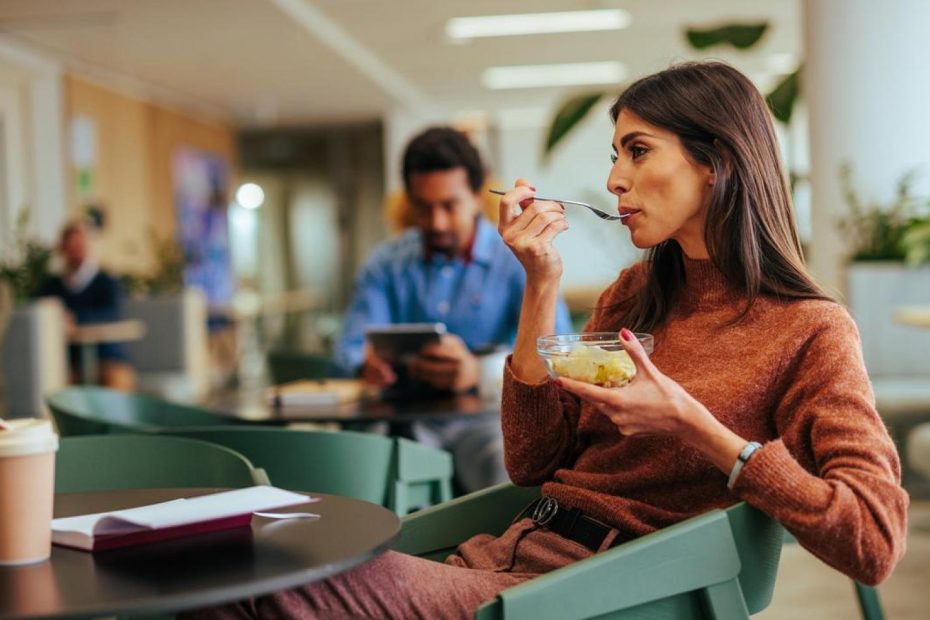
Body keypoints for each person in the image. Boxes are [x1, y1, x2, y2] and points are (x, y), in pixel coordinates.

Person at [186, 61, 907, 619]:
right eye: (615, 152)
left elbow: (872, 541)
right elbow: (533, 460)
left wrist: (695, 426)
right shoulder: (636, 294)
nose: (614, 178)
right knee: (239, 570)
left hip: (598, 589)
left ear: (717, 161)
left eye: (637, 150)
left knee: (278, 581)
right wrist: (540, 280)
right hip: (510, 551)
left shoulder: (810, 329)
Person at [333, 126, 573, 492]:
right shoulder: (385, 264)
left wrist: (476, 373)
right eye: (423, 208)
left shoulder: (518, 261)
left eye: (449, 205)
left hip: (488, 420)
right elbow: (347, 350)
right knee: (361, 474)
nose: (437, 222)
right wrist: (367, 364)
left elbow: (559, 356)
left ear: (478, 196)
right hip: (406, 420)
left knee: (506, 470)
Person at [37, 221, 136, 390]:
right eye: (71, 246)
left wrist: (76, 318)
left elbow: (113, 314)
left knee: (119, 381)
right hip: (70, 362)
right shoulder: (52, 286)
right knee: (53, 386)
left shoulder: (106, 282)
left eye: (80, 245)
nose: (76, 250)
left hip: (106, 358)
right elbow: (39, 313)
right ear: (62, 249)